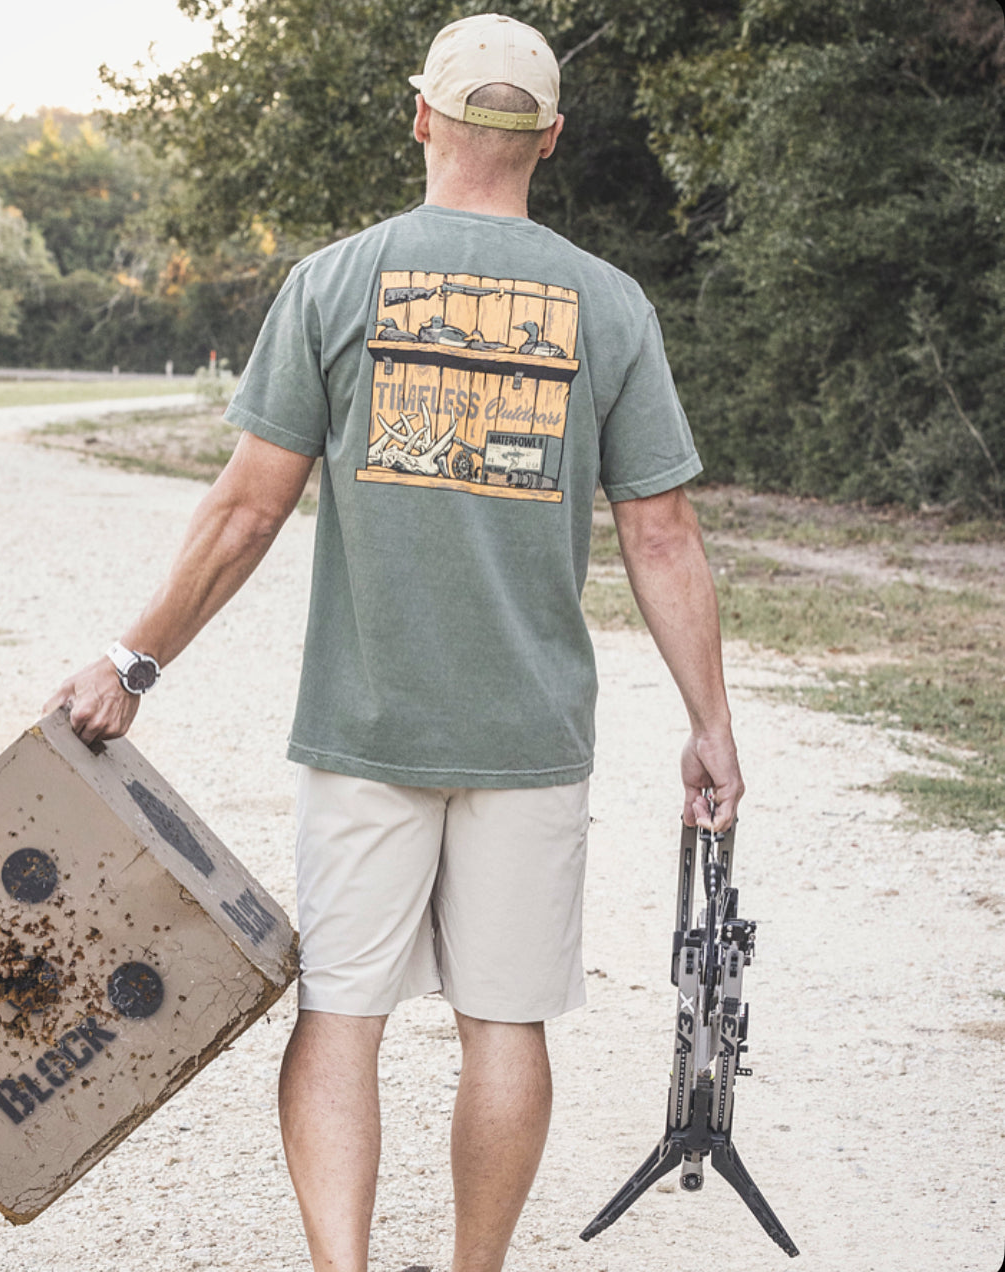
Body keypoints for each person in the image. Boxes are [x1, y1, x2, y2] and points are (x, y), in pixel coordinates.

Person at [45, 13, 743, 1272]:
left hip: (365, 730)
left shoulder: (335, 281)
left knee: (342, 1013)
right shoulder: (610, 305)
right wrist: (712, 727)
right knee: (506, 1022)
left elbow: (245, 509)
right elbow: (666, 536)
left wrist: (134, 663)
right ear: (552, 139)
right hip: (530, 739)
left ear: (421, 117)